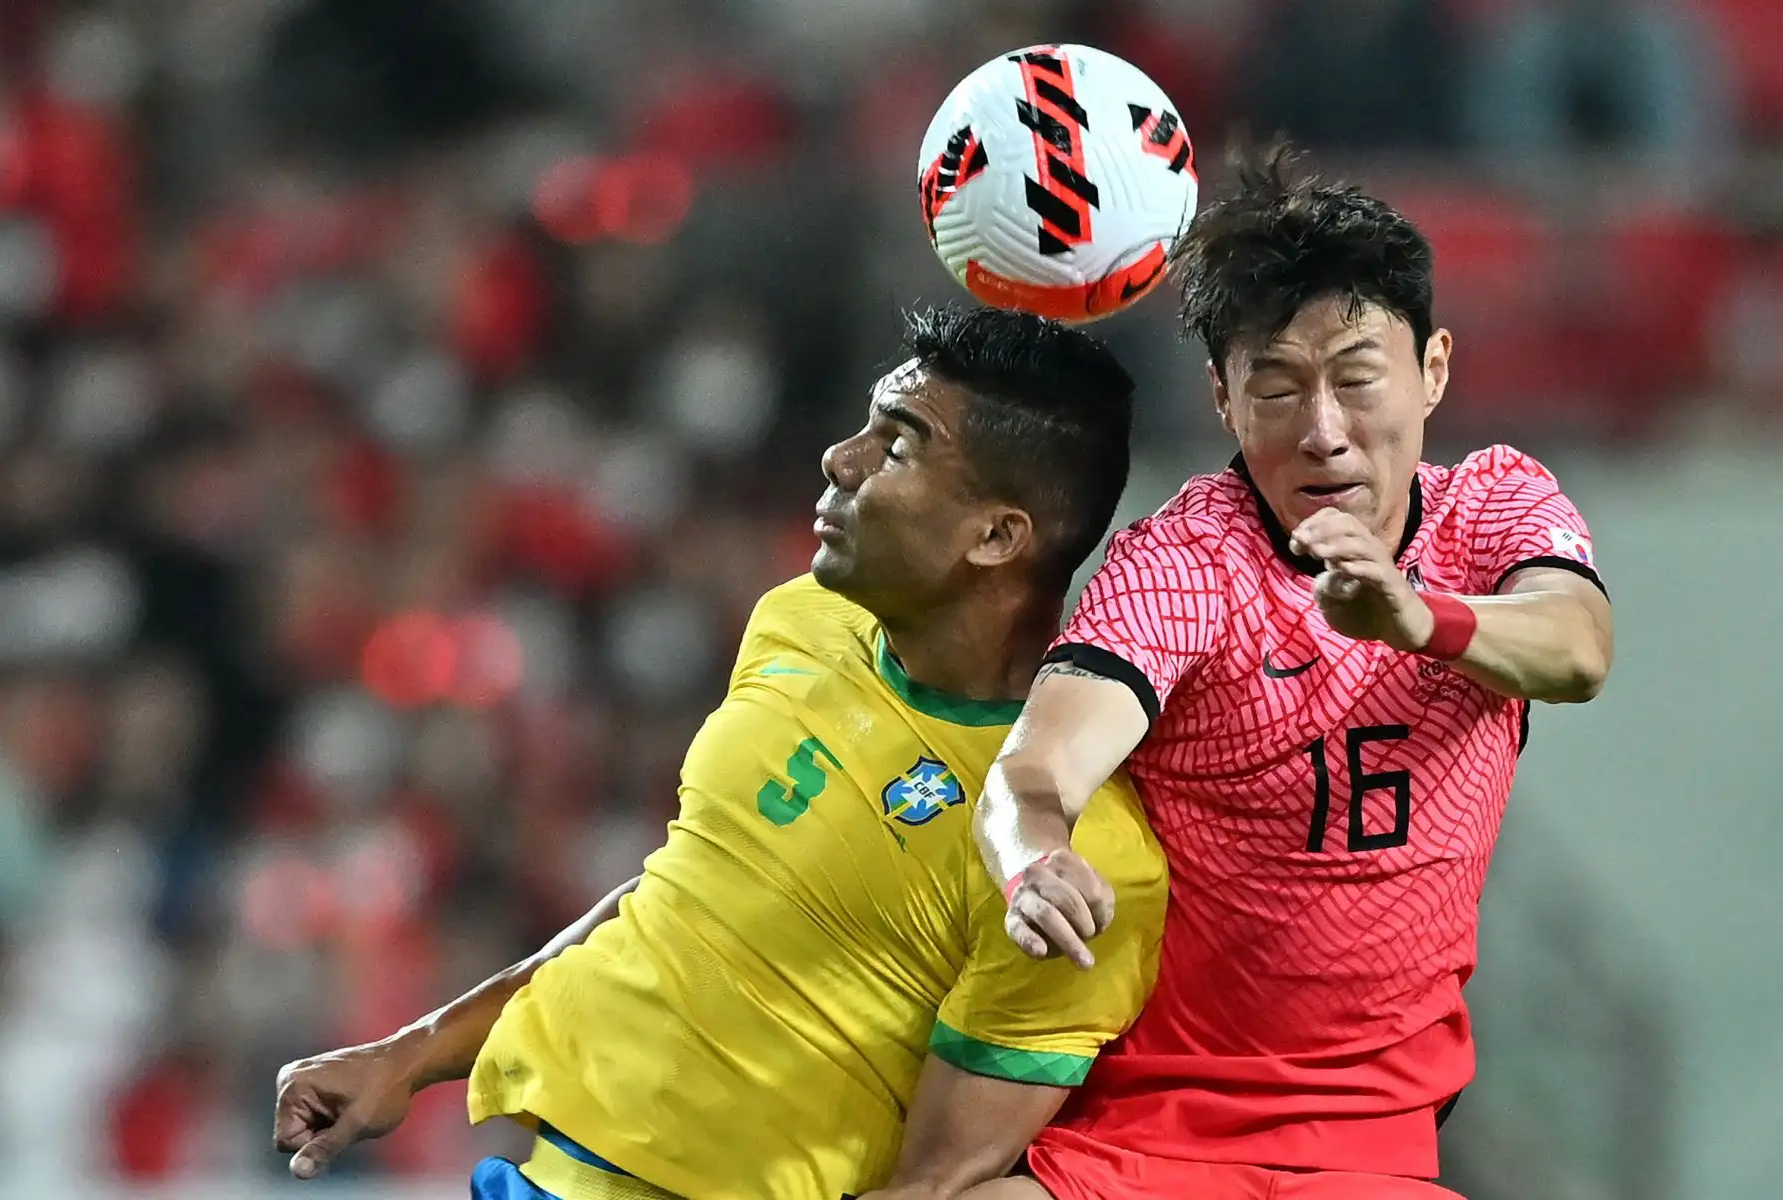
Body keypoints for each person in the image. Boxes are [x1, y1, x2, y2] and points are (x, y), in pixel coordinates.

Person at [273, 304, 1169, 1200]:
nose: (839, 458)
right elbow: (684, 891)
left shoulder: (1083, 865)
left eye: (896, 447)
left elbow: (936, 1185)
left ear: (997, 536)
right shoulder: (803, 622)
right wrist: (410, 1054)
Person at [968, 145, 1615, 1200]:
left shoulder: (1496, 511)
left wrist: (1415, 616)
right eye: (1275, 387)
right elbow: (1034, 775)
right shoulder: (1181, 567)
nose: (1325, 433)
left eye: (1358, 379)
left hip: (1380, 1149)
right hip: (1148, 1140)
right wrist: (1032, 857)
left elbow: (1578, 647)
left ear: (1434, 371)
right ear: (1223, 400)